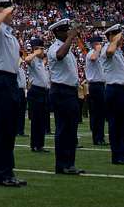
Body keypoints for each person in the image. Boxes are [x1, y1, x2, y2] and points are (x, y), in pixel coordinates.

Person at [0, 0, 26, 188]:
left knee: (10, 130)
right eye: (9, 9)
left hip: (11, 81)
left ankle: (9, 171)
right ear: (0, 10)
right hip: (0, 80)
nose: (13, 13)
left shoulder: (8, 32)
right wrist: (5, 12)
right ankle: (2, 174)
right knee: (3, 130)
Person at [47, 18, 84, 176]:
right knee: (63, 129)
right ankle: (62, 165)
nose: (69, 32)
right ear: (58, 32)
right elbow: (60, 55)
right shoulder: (54, 48)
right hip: (61, 91)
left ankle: (70, 163)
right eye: (66, 30)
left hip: (70, 91)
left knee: (71, 129)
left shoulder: (67, 48)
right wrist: (70, 37)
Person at [102, 24, 124, 165]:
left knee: (122, 124)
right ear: (111, 36)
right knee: (116, 124)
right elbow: (109, 51)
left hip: (122, 91)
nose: (121, 39)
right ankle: (118, 155)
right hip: (114, 90)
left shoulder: (118, 52)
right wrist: (114, 40)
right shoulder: (107, 48)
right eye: (118, 35)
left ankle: (123, 153)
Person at [25, 37, 51, 154]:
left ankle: (40, 144)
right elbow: (27, 59)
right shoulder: (34, 61)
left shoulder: (41, 62)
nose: (43, 51)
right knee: (36, 120)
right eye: (41, 49)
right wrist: (35, 52)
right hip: (36, 92)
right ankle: (35, 145)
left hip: (43, 92)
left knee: (42, 120)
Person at [85, 35, 107, 146]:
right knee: (97, 113)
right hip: (95, 85)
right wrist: (97, 50)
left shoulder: (99, 55)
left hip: (100, 85)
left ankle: (100, 137)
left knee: (101, 113)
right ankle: (97, 138)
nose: (101, 45)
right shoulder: (91, 53)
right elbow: (93, 58)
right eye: (98, 43)